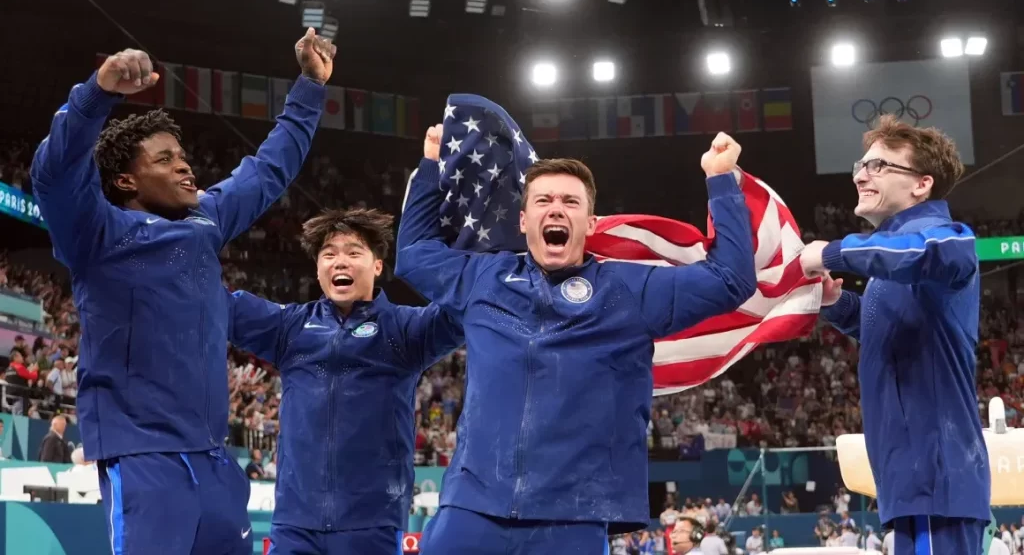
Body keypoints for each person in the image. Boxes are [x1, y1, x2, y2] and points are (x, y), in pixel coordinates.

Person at [30, 29, 335, 555]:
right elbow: (54, 175)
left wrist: (310, 86)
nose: (185, 166)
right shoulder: (96, 233)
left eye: (183, 156)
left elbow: (268, 170)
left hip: (215, 461)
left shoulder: (206, 220)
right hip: (144, 458)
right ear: (126, 182)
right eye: (165, 159)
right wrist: (98, 94)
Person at [396, 119, 757, 554]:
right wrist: (430, 166)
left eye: (570, 201)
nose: (556, 209)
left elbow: (731, 279)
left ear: (591, 222)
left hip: (574, 515)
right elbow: (414, 255)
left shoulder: (627, 291)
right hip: (472, 507)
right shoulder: (484, 278)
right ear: (523, 220)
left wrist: (721, 179)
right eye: (543, 200)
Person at [799, 114, 989, 555]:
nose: (861, 176)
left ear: (922, 184)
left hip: (935, 477)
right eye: (860, 166)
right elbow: (887, 327)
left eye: (879, 166)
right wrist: (836, 303)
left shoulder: (947, 241)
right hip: (915, 479)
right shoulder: (891, 257)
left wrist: (833, 252)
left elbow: (926, 253)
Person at [228, 208, 463, 555]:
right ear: (317, 269)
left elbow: (463, 307)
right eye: (329, 254)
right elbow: (213, 304)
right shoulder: (290, 328)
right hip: (295, 524)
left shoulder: (404, 330)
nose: (340, 261)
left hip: (372, 524)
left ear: (377, 266)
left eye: (354, 252)